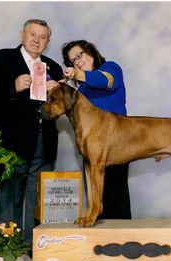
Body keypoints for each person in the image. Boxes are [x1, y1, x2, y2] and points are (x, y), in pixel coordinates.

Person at [0, 19, 63, 245]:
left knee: (38, 198)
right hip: (11, 140)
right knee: (10, 194)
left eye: (43, 37)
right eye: (33, 34)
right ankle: (8, 251)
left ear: (48, 42)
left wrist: (59, 93)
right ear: (22, 35)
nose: (37, 40)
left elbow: (62, 107)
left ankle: (37, 248)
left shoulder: (53, 67)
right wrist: (12, 87)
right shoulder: (1, 58)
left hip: (45, 140)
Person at [62, 40, 131, 220]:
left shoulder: (110, 68)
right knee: (95, 192)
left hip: (117, 143)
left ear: (91, 52)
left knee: (116, 195)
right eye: (72, 61)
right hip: (90, 146)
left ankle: (123, 241)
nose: (77, 61)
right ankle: (98, 234)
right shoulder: (82, 89)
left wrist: (78, 74)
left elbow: (106, 81)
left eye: (79, 55)